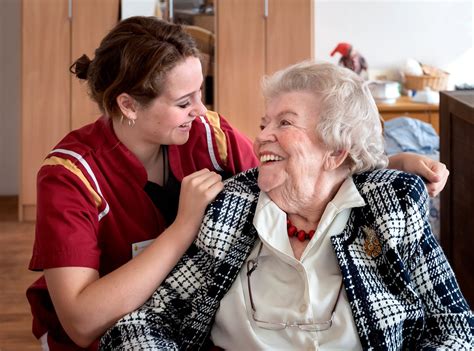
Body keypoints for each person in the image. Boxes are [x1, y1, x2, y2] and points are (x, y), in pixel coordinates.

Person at [26, 16, 448, 350]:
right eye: (183, 102)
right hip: (103, 334)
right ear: (128, 105)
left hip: (186, 314)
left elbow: (295, 168)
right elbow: (82, 323)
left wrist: (388, 162)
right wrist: (182, 228)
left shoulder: (209, 135)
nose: (202, 110)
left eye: (200, 93)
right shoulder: (69, 177)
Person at [100, 61, 472, 350]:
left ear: (335, 151)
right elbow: (142, 323)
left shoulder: (391, 205)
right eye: (264, 123)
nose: (262, 136)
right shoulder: (232, 207)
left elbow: (455, 325)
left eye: (285, 123)